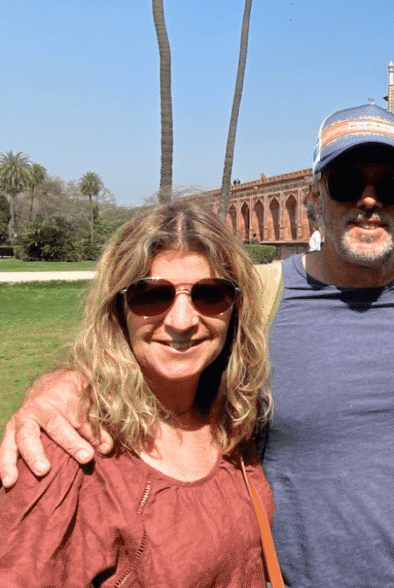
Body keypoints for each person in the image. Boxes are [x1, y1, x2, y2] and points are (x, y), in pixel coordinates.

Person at [2, 104, 394, 588]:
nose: (369, 200)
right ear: (314, 196)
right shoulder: (252, 298)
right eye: (346, 183)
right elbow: (161, 345)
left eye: (392, 186)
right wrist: (65, 384)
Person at [0, 200, 274, 586]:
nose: (182, 321)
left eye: (210, 295)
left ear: (234, 309)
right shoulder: (69, 446)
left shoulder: (233, 418)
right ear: (118, 307)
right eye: (152, 295)